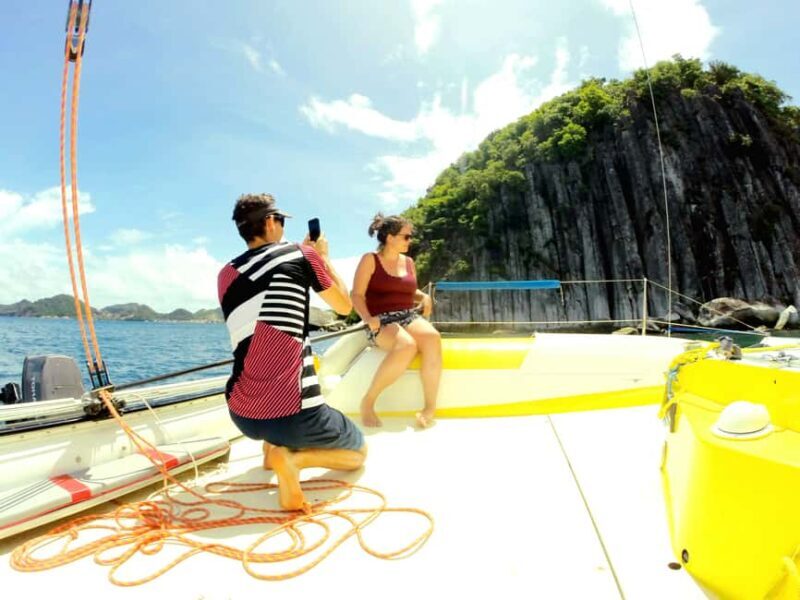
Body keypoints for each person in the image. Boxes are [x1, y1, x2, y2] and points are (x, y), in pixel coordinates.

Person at [218, 193, 366, 512]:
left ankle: (271, 454)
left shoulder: (225, 275)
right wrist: (320, 257)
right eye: (281, 221)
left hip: (242, 413)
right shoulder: (300, 255)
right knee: (358, 453)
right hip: (294, 414)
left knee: (263, 360)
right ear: (271, 222)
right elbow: (344, 307)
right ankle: (292, 459)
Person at [351, 213, 442, 429]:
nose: (410, 240)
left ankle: (429, 408)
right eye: (406, 236)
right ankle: (368, 402)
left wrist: (423, 296)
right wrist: (367, 318)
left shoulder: (409, 262)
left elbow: (408, 290)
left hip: (407, 315)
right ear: (390, 238)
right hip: (380, 320)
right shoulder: (370, 260)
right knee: (406, 346)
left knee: (432, 338)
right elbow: (356, 295)